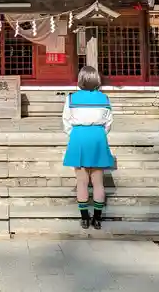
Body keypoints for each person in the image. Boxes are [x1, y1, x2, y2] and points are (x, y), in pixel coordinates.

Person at [62, 66, 114, 229]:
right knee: (98, 182)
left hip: (79, 136)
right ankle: (97, 219)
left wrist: (76, 135)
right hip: (98, 136)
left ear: (80, 80)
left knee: (82, 182)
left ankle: (84, 218)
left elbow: (66, 122)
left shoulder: (71, 99)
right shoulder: (104, 99)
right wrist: (99, 133)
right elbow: (108, 123)